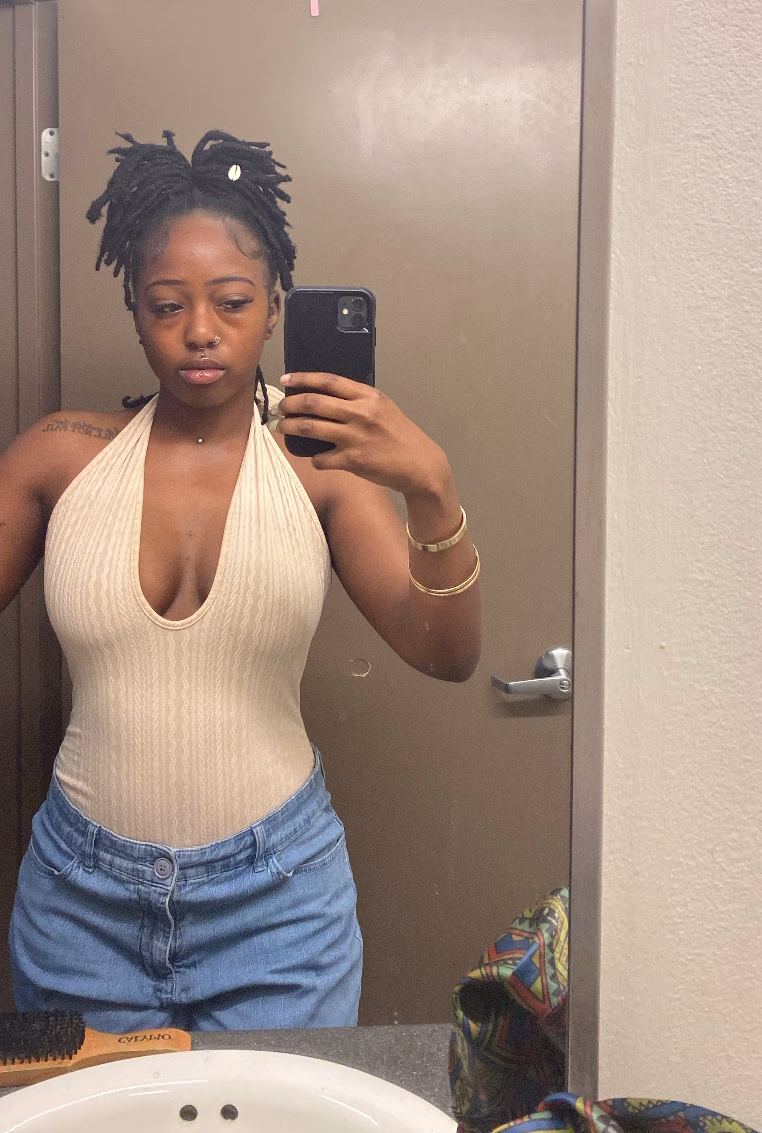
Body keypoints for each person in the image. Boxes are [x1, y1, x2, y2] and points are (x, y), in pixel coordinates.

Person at [0, 129, 481, 1033]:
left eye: (230, 301)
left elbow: (446, 653)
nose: (199, 331)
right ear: (135, 311)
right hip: (80, 909)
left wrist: (432, 488)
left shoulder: (321, 469)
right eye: (166, 304)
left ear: (272, 308)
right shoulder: (60, 458)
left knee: (276, 1107)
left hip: (278, 904)